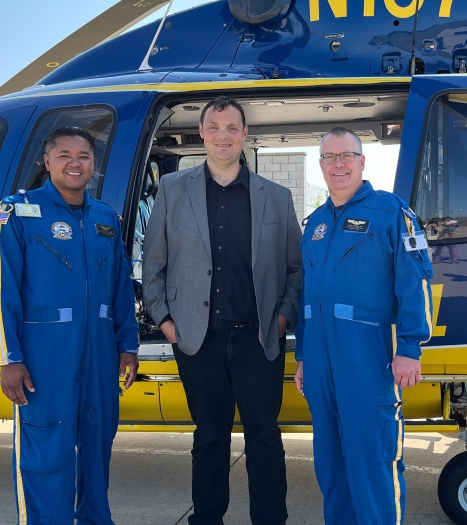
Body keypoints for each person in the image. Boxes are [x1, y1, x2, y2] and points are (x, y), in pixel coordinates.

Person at [143, 96, 302, 525]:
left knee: (265, 438)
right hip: (197, 339)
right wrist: (166, 322)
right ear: (202, 134)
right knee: (209, 437)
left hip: (258, 339)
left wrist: (283, 316)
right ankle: (206, 519)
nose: (222, 136)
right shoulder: (173, 191)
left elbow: (295, 269)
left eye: (232, 127)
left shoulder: (277, 197)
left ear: (245, 134)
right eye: (214, 127)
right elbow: (153, 262)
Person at [0, 125, 139, 524]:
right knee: (46, 457)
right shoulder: (18, 212)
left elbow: (120, 288)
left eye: (84, 156)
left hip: (99, 359)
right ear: (47, 161)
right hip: (44, 360)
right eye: (65, 155)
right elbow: (0, 289)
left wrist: (128, 345)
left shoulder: (106, 218)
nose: (75, 163)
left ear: (93, 164)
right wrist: (9, 358)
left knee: (96, 451)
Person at [294, 126, 433, 525]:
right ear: (321, 164)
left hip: (370, 363)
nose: (338, 165)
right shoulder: (316, 224)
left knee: (373, 461)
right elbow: (309, 299)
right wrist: (304, 357)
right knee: (331, 466)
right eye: (329, 157)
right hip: (321, 366)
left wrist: (409, 347)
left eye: (346, 156)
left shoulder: (392, 212)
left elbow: (417, 282)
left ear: (361, 161)